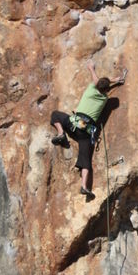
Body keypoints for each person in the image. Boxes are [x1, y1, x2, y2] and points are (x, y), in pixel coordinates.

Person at [50, 61, 127, 199]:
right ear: (107, 90)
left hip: (74, 124)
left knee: (55, 115)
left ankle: (61, 133)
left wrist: (91, 68)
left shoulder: (91, 89)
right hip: (86, 131)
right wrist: (117, 80)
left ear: (97, 85)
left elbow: (97, 80)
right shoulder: (104, 99)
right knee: (86, 159)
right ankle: (84, 186)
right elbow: (103, 84)